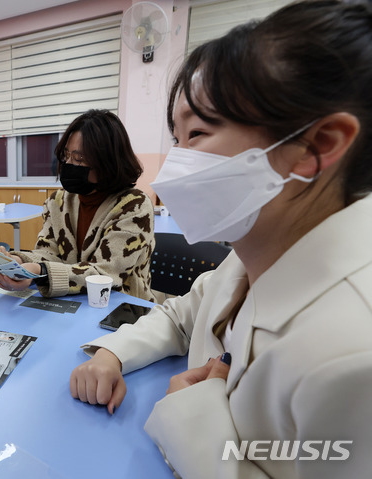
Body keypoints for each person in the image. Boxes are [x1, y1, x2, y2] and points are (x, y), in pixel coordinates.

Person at [69, 1, 372, 477]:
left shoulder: (355, 348)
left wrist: (192, 418)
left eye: (199, 132)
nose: (176, 166)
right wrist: (113, 353)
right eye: (177, 137)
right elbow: (180, 316)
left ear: (317, 146)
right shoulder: (254, 252)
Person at [0, 110, 155, 300]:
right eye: (66, 156)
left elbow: (106, 273)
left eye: (79, 159)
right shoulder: (58, 202)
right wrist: (19, 261)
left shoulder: (133, 206)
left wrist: (40, 271)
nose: (69, 164)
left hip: (120, 305)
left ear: (108, 163)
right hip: (69, 302)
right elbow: (48, 253)